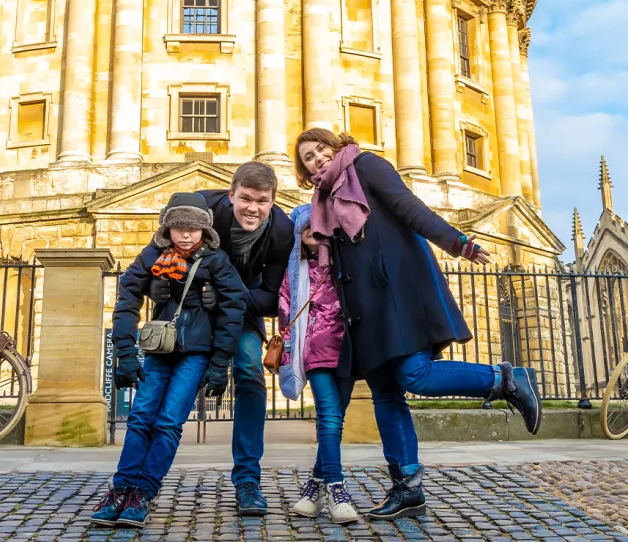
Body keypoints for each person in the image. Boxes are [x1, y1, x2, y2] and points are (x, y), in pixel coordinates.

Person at [293, 128, 543, 521]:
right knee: (386, 395)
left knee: (415, 375)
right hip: (363, 311)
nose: (317, 159)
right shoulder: (320, 201)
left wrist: (459, 243)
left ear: (336, 146)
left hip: (397, 293)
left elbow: (409, 208)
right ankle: (407, 487)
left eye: (321, 149)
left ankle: (505, 380)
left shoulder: (366, 166)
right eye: (308, 157)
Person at [92, 192, 248, 529]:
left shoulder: (217, 261)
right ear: (168, 227)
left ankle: (143, 492)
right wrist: (124, 353)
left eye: (193, 228)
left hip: (196, 353)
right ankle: (121, 489)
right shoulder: (152, 255)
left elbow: (235, 309)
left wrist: (220, 362)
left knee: (167, 422)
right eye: (179, 227)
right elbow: (126, 299)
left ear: (205, 230)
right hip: (160, 351)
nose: (186, 234)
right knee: (139, 418)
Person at [195, 162, 293, 515]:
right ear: (231, 193)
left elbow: (271, 297)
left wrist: (225, 295)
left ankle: (248, 479)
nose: (253, 207)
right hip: (193, 308)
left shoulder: (283, 231)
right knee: (172, 381)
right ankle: (141, 480)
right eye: (246, 198)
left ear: (273, 201)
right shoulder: (201, 209)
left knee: (251, 373)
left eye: (262, 201)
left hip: (243, 312)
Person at [278, 203, 358, 524]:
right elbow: (286, 310)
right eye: (306, 227)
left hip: (350, 350)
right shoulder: (296, 271)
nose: (312, 230)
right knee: (327, 414)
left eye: (319, 225)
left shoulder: (346, 265)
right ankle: (338, 490)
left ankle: (314, 485)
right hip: (315, 351)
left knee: (335, 419)